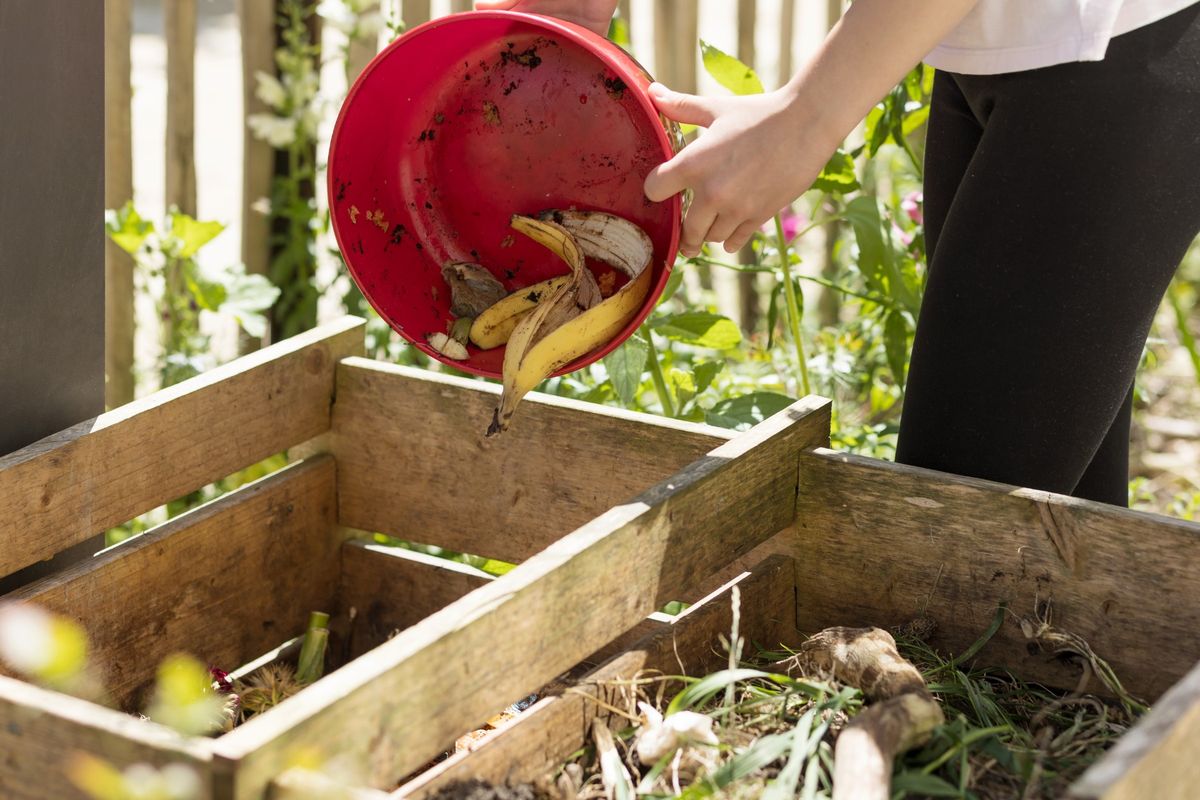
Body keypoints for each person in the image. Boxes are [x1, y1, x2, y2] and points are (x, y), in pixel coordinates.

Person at [476, 0, 1200, 506]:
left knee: (949, 537)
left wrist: (805, 118)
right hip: (986, 37)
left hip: (1128, 44)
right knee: (1049, 546)